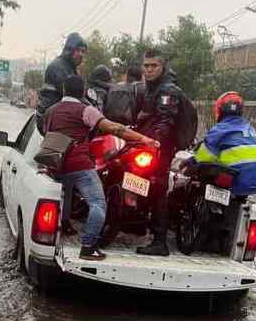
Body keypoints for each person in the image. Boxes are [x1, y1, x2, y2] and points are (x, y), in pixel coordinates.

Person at [46, 75, 160, 260]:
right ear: (83, 91)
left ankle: (65, 224)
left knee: (65, 193)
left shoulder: (51, 111)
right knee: (98, 204)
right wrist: (143, 138)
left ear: (64, 91)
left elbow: (48, 133)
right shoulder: (85, 110)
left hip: (56, 164)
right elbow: (115, 129)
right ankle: (89, 246)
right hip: (79, 165)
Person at [134, 49, 192, 256]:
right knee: (142, 183)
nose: (149, 70)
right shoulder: (151, 88)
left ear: (162, 67)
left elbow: (165, 122)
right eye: (146, 66)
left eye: (153, 66)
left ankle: (160, 242)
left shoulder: (168, 90)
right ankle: (139, 224)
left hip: (160, 149)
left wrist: (154, 143)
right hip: (148, 145)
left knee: (158, 190)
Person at [194, 91, 256, 196]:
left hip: (233, 182)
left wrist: (189, 163)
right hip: (253, 184)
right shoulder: (250, 129)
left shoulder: (220, 129)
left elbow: (202, 158)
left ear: (219, 110)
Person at [37, 33, 88, 128]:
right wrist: (92, 110)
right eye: (77, 50)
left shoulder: (71, 69)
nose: (81, 54)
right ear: (69, 49)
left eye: (83, 51)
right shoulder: (57, 67)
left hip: (60, 117)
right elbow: (74, 96)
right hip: (48, 119)